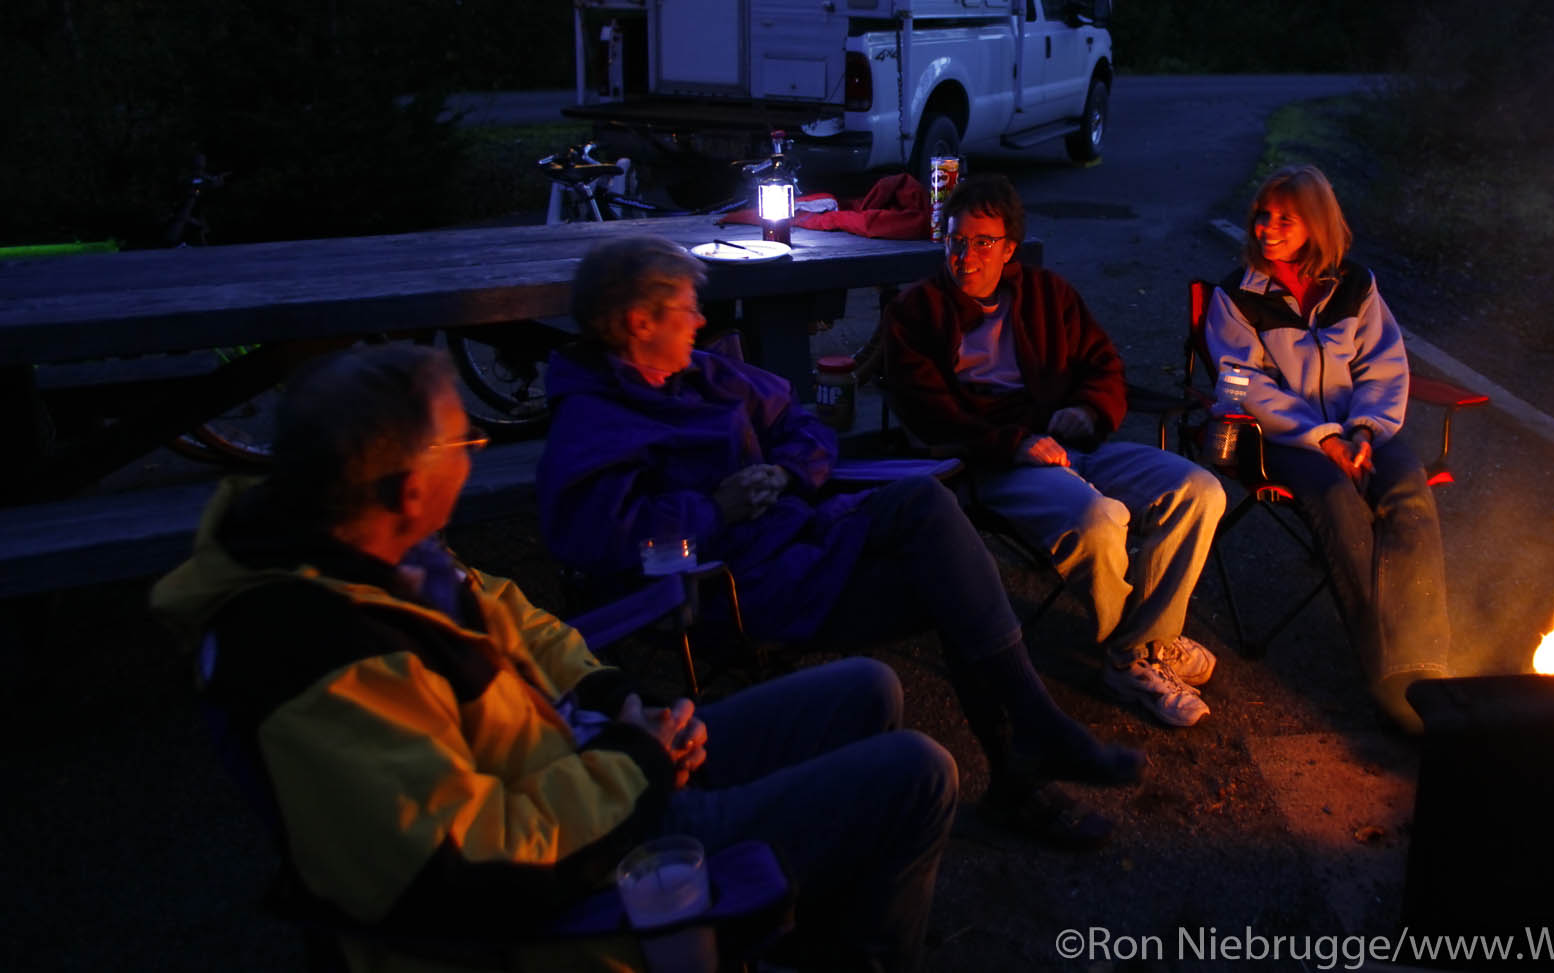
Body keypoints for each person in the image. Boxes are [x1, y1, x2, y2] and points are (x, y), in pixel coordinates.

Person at [150, 343, 957, 972]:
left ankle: (798, 930)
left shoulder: (376, 544)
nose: (471, 450)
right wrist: (635, 762)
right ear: (404, 488)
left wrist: (611, 696)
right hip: (597, 877)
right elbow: (471, 865)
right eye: (461, 438)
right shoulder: (319, 661)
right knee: (917, 773)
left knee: (867, 688)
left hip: (588, 768)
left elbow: (522, 620)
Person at [536, 236, 1145, 850]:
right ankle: (1028, 763)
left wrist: (788, 473)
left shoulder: (705, 373)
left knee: (934, 521)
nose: (701, 319)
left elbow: (801, 424)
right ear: (641, 322)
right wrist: (711, 509)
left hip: (805, 540)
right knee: (954, 581)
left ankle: (1029, 752)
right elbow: (596, 542)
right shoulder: (595, 419)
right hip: (731, 588)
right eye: (688, 309)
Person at [881, 175, 1228, 728]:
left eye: (983, 242)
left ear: (1009, 248)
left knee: (1200, 491)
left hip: (1072, 444)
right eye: (955, 241)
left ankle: (1143, 645)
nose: (966, 256)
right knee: (1099, 518)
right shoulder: (918, 312)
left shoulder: (1047, 296)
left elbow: (1103, 365)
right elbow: (928, 413)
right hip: (993, 461)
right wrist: (1015, 442)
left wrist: (1089, 411)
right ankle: (1136, 657)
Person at [1203, 164, 1449, 734]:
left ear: (1316, 225)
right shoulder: (1236, 296)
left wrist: (1365, 429)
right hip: (1278, 437)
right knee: (1340, 501)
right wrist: (1324, 437)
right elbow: (1239, 383)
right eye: (1262, 215)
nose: (1267, 227)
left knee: (1409, 497)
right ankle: (1389, 678)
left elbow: (1383, 365)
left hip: (1358, 426)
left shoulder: (1355, 287)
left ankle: (1426, 666)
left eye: (1285, 219)